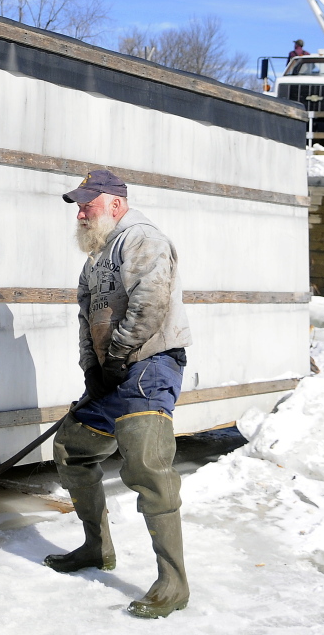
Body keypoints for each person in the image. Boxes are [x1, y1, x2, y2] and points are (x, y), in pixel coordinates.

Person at [45, 168, 192, 620]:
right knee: (73, 449)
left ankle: (173, 583)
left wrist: (119, 356)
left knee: (147, 467)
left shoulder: (141, 238)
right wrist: (93, 370)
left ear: (114, 202)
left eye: (88, 203)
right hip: (111, 375)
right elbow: (87, 319)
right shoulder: (95, 257)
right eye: (78, 205)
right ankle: (96, 547)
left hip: (149, 366)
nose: (81, 211)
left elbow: (152, 299)